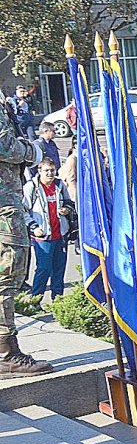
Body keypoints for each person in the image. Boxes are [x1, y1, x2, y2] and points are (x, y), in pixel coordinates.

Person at [0, 104, 52, 375]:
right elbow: (5, 145)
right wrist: (33, 151)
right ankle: (6, 352)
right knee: (7, 274)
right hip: (3, 206)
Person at [23, 159, 75, 302]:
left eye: (52, 170)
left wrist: (67, 210)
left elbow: (69, 203)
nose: (50, 174)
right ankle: (35, 301)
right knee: (44, 269)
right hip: (43, 237)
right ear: (40, 171)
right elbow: (23, 211)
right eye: (47, 171)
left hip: (60, 235)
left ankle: (57, 301)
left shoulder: (59, 184)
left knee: (59, 270)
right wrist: (34, 226)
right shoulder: (31, 187)